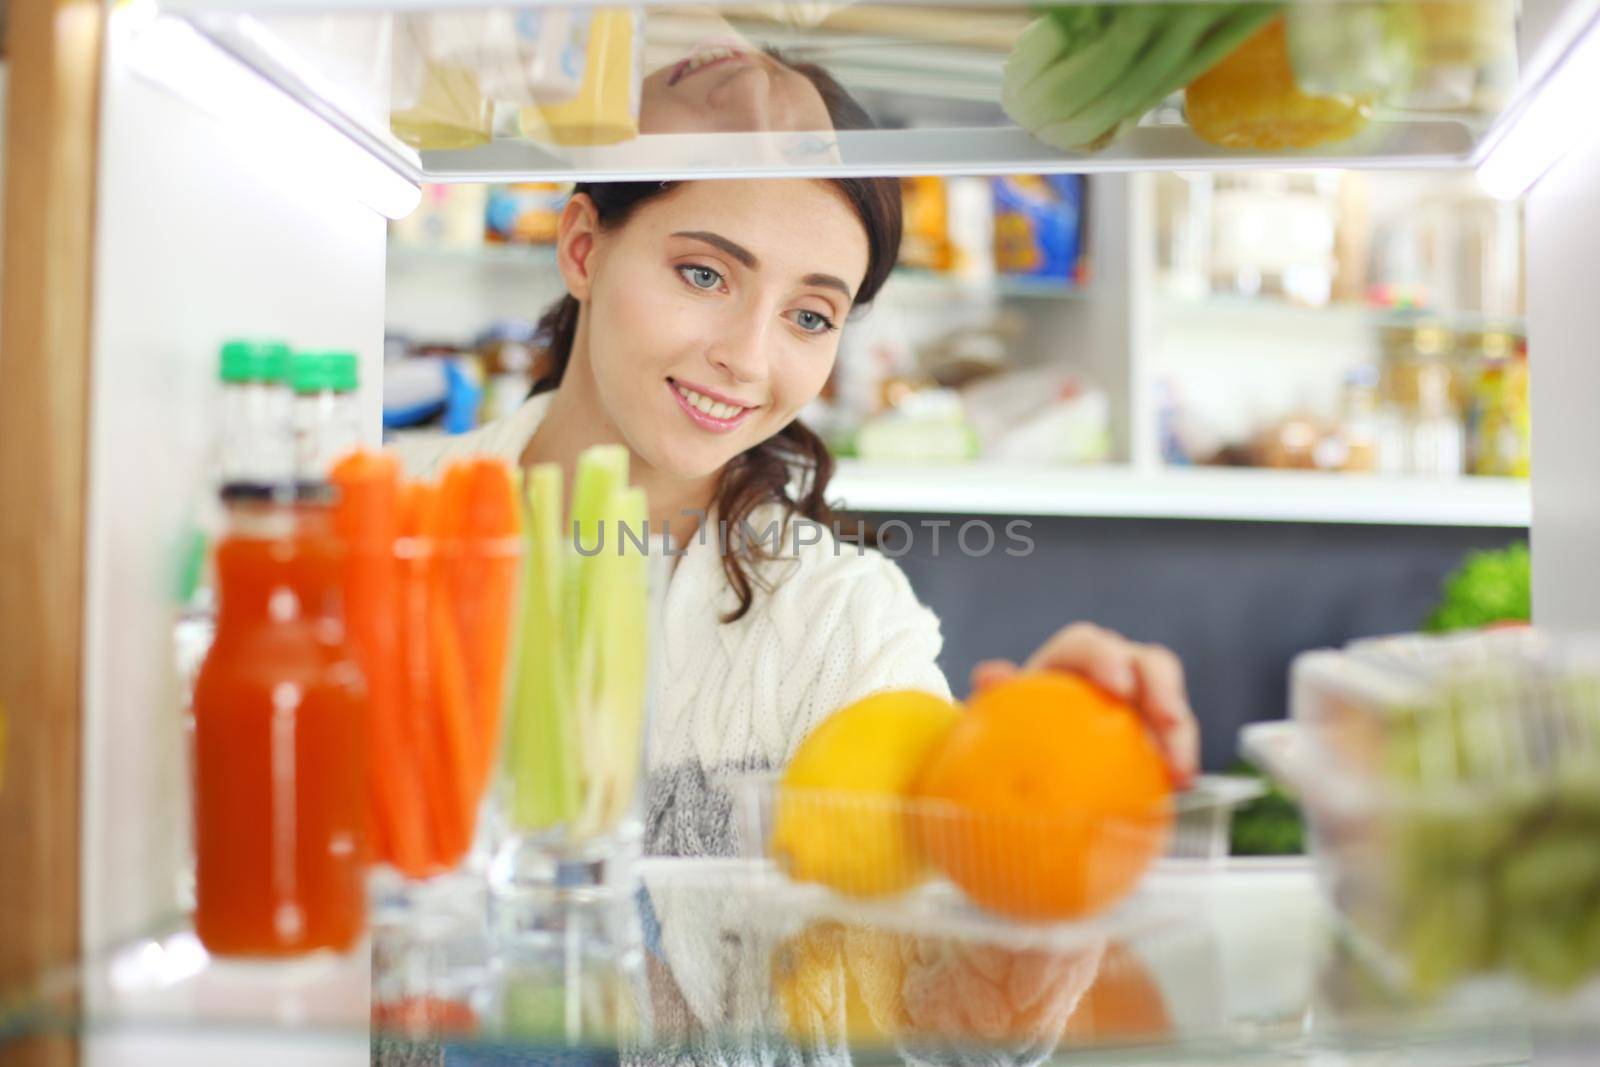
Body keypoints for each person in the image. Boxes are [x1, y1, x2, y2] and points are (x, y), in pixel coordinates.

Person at [401, 176, 1199, 860]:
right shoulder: (370, 515)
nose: (747, 358)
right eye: (704, 274)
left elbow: (928, 985)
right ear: (583, 248)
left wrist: (1021, 798)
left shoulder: (846, 616)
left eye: (810, 316)